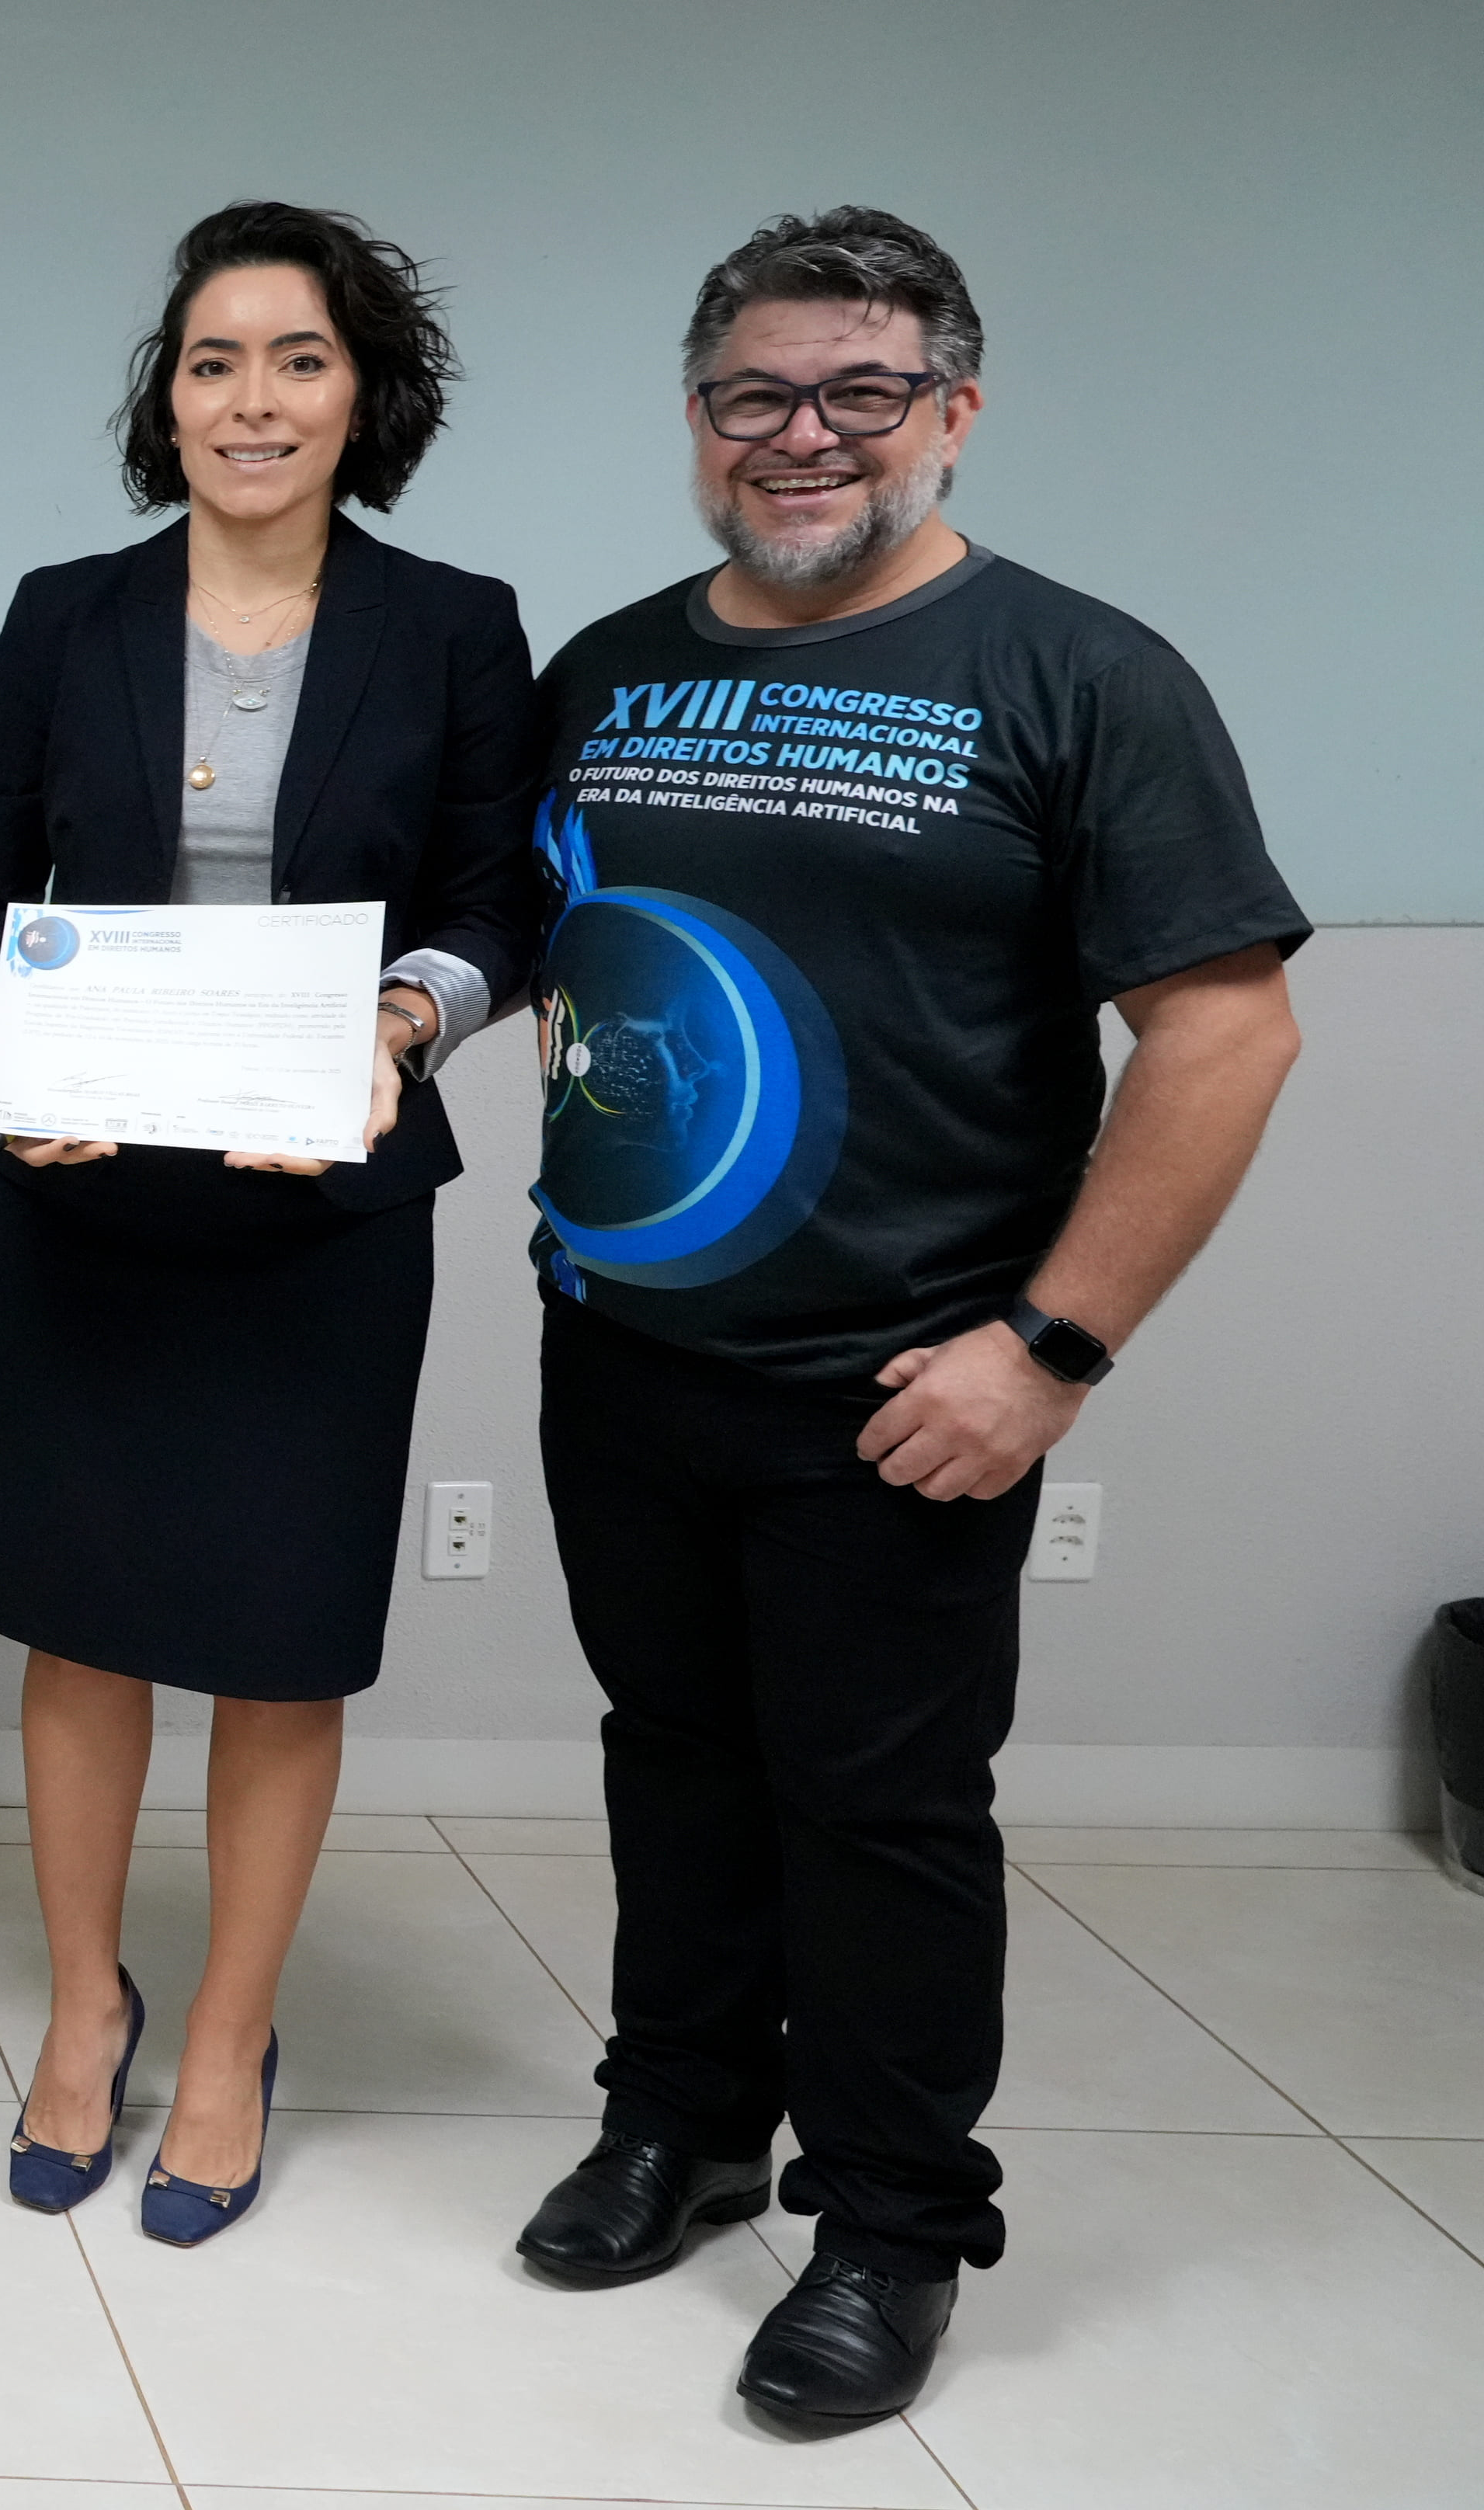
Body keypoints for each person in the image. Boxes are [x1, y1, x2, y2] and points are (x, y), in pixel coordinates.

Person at [506, 209, 1304, 2431]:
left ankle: (889, 2224)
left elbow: (1225, 1033)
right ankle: (680, 2121)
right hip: (625, 1352)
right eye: (756, 394)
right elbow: (533, 956)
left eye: (862, 391)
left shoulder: (1080, 676)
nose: (805, 435)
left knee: (881, 1812)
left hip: (906, 1385)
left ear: (955, 409)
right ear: (696, 419)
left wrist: (1049, 1350)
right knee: (672, 1756)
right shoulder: (607, 670)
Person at [0, 200, 549, 2246]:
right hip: (84, 1195)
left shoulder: (452, 625)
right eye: (215, 361)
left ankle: (227, 2032)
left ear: (363, 394)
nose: (253, 399)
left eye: (299, 359)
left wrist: (400, 1024)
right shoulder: (67, 614)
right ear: (169, 396)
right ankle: (86, 2008)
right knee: (84, 1622)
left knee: (283, 1643)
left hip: (323, 1207)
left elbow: (498, 906)